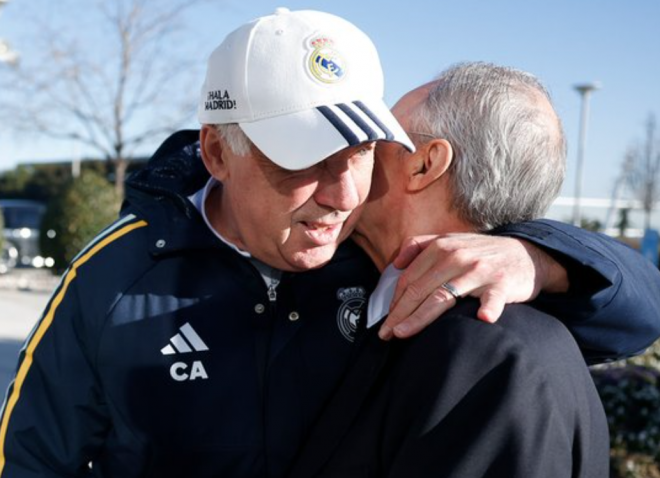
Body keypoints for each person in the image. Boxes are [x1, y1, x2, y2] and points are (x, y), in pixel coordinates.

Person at [0, 9, 658, 478]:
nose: (342, 193)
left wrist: (538, 259)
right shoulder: (114, 276)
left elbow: (636, 314)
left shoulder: (402, 261)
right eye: (301, 159)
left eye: (362, 150)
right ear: (216, 151)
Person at [286, 63, 615, 477]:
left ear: (426, 164)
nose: (360, 145)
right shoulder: (433, 316)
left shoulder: (484, 355)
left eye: (380, 136)